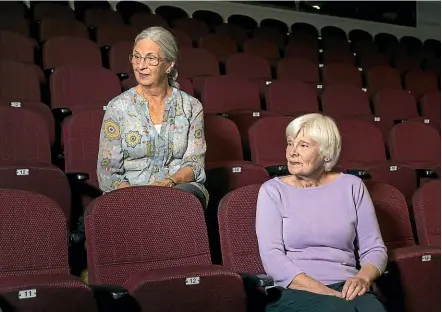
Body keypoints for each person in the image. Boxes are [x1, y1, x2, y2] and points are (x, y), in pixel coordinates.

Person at [256, 113, 388, 312]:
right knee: (338, 309)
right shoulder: (272, 191)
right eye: (290, 143)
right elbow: (272, 257)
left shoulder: (352, 186)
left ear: (326, 153)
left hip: (346, 285)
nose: (292, 152)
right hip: (294, 290)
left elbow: (374, 248)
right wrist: (329, 294)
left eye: (303, 145)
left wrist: (362, 278)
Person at [97, 26, 208, 209]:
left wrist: (169, 182)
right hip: (129, 193)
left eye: (151, 58)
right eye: (136, 56)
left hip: (178, 190)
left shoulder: (191, 107)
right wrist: (135, 196)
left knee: (180, 200)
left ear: (169, 64)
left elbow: (194, 164)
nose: (141, 66)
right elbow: (108, 170)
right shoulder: (117, 107)